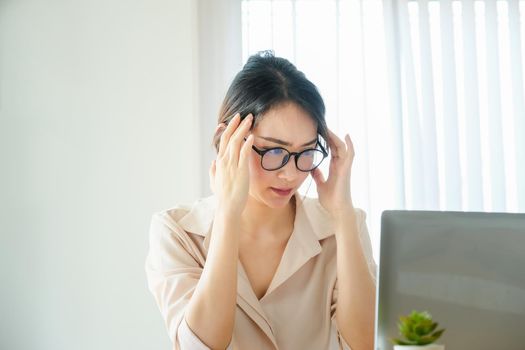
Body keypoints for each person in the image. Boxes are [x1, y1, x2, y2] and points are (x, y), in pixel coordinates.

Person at [145, 51, 377, 350]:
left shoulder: (344, 226)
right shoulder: (177, 231)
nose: (291, 174)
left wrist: (343, 216)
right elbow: (199, 345)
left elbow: (367, 343)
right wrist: (228, 212)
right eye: (274, 152)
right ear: (227, 139)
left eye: (305, 152)